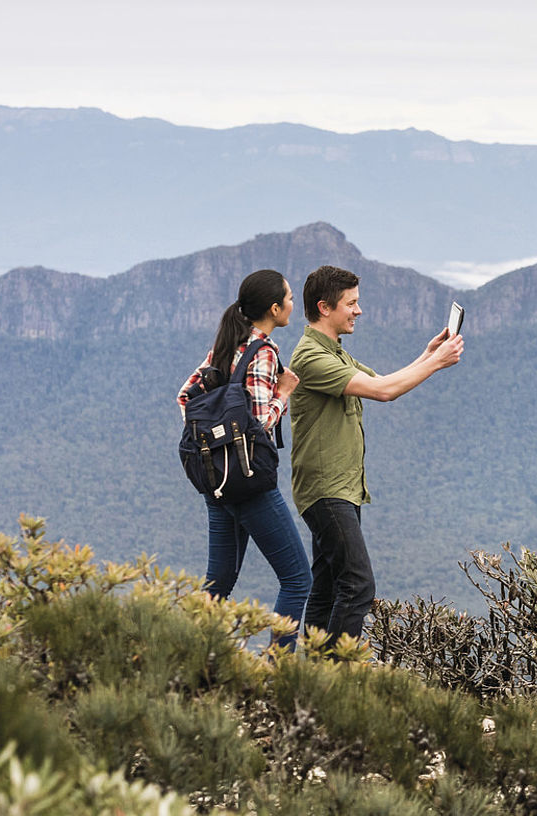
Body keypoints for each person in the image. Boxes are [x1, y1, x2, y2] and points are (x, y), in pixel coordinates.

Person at [289, 264, 463, 647]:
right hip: (327, 490)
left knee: (328, 586)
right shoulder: (311, 358)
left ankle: (315, 671)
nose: (359, 310)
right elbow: (384, 392)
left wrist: (427, 354)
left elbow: (381, 381)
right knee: (358, 584)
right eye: (351, 303)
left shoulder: (334, 353)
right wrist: (438, 362)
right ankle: (339, 671)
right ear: (324, 307)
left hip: (341, 489)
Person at [176, 269, 313, 650]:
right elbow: (259, 421)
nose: (292, 304)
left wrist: (214, 434)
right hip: (249, 484)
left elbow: (185, 398)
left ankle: (191, 656)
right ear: (274, 309)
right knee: (297, 579)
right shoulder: (263, 352)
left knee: (218, 581)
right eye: (289, 298)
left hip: (216, 481)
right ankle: (277, 668)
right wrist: (284, 393)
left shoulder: (226, 345)